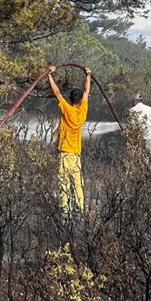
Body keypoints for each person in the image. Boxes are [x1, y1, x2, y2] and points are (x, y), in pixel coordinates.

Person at [47, 65, 90, 214]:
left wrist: (49, 75)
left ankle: (65, 209)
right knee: (77, 182)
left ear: (70, 99)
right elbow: (86, 91)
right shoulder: (82, 110)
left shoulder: (68, 109)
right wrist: (88, 75)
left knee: (64, 182)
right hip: (76, 154)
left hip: (65, 152)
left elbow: (57, 92)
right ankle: (81, 206)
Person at [128, 93, 151, 168]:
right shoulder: (149, 108)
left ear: (135, 101)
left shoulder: (132, 110)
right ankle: (149, 170)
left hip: (146, 136)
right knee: (145, 155)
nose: (132, 102)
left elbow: (132, 127)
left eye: (132, 101)